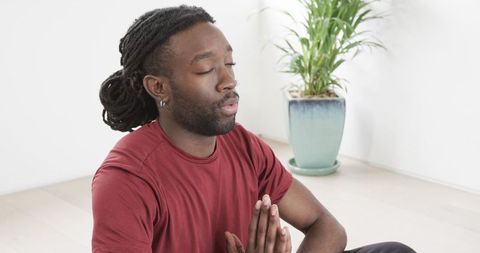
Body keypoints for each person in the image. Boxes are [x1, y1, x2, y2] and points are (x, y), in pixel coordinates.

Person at [92, 5, 416, 253]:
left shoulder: (243, 145)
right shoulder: (126, 181)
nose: (229, 81)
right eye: (206, 69)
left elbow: (326, 227)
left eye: (229, 64)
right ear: (159, 87)